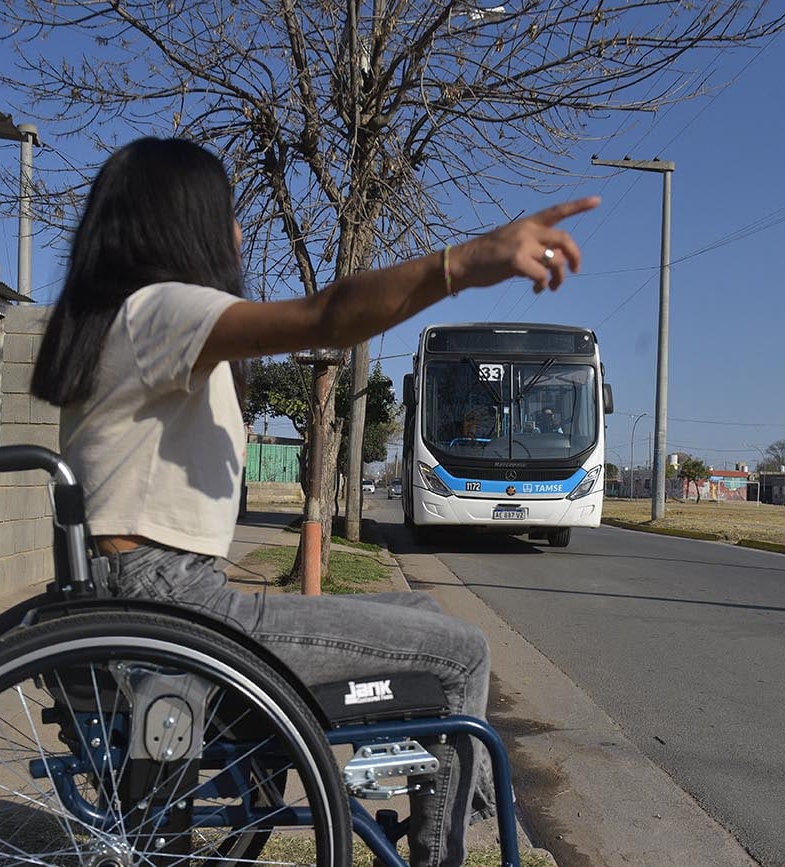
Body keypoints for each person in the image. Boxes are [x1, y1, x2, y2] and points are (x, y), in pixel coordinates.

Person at [30, 136, 598, 867]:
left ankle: (440, 805)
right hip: (174, 605)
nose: (237, 232)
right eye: (225, 213)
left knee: (426, 616)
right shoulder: (162, 310)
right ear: (181, 222)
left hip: (153, 595)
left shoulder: (122, 319)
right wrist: (462, 264)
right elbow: (328, 314)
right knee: (463, 653)